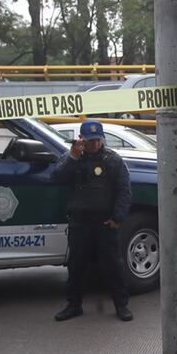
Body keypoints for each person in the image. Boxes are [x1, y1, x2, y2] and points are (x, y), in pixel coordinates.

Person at [51, 120, 133, 322]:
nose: (94, 144)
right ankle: (73, 305)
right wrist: (72, 157)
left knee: (113, 265)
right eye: (90, 140)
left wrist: (118, 218)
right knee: (76, 266)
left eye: (97, 140)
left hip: (105, 223)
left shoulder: (113, 160)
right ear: (81, 139)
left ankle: (121, 305)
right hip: (80, 222)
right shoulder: (72, 158)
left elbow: (124, 190)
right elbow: (56, 178)